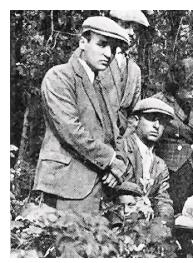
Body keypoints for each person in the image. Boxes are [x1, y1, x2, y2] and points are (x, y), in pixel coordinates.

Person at [33, 17, 130, 215]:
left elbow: (114, 132)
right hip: (66, 185)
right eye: (102, 44)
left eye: (113, 49)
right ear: (82, 42)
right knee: (71, 243)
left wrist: (118, 166)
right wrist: (111, 159)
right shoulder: (59, 76)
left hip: (98, 185)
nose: (108, 54)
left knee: (95, 244)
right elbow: (71, 131)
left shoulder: (102, 85)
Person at [153, 57, 193, 213]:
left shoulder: (192, 105)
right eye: (190, 88)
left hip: (189, 175)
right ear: (176, 85)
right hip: (168, 178)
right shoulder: (157, 103)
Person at [116, 97, 175, 228]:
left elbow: (163, 199)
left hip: (142, 228)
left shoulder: (160, 164)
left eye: (162, 122)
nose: (157, 126)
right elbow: (116, 191)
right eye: (151, 118)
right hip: (117, 223)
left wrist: (163, 222)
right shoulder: (122, 148)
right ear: (136, 120)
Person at [100, 10, 150, 136]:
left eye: (136, 30)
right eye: (126, 26)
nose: (132, 33)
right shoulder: (97, 60)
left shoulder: (135, 70)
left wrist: (124, 140)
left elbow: (135, 112)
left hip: (121, 141)